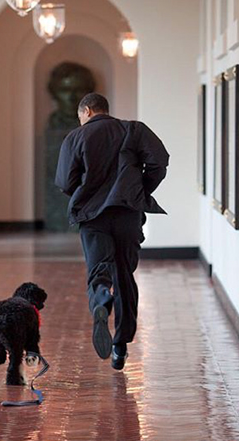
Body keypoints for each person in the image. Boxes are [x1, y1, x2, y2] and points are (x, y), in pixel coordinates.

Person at [55, 93, 170, 370]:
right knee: (124, 275)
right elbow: (159, 161)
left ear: (87, 111)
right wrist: (138, 188)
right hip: (127, 213)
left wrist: (85, 191)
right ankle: (120, 346)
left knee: (99, 269)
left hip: (93, 216)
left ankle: (101, 301)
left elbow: (64, 181)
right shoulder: (133, 129)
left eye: (80, 116)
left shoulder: (76, 137)